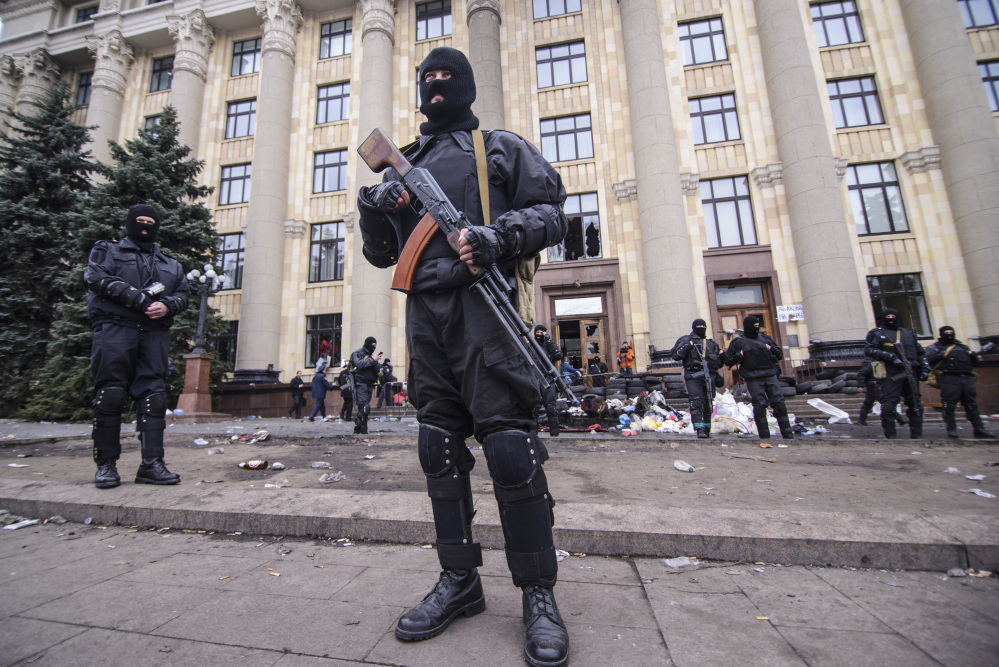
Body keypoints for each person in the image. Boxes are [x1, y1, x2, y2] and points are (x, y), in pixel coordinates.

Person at [357, 47, 570, 667]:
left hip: (485, 309)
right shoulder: (404, 164)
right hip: (425, 315)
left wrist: (496, 235)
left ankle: (538, 594)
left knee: (510, 446)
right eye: (428, 78)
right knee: (437, 447)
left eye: (449, 77)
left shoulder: (498, 147)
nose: (437, 84)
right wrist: (374, 211)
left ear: (469, 88)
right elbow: (379, 255)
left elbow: (552, 213)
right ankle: (460, 580)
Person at [85, 203, 189, 489]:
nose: (145, 226)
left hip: (154, 334)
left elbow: (183, 294)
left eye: (150, 222)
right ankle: (106, 465)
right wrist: (137, 298)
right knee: (111, 394)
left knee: (154, 396)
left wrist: (167, 306)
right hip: (115, 329)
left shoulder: (170, 264)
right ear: (130, 223)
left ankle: (152, 464)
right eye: (140, 221)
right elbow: (96, 278)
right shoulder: (108, 250)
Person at [723, 316, 793, 439]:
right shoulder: (739, 342)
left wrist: (771, 349)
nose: (757, 328)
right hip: (753, 377)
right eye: (754, 326)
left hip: (770, 375)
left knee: (779, 403)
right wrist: (739, 355)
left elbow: (779, 354)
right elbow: (728, 361)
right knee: (760, 405)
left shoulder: (766, 339)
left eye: (758, 325)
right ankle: (764, 435)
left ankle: (787, 433)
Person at [864, 309, 929, 439]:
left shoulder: (908, 334)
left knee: (915, 404)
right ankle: (891, 435)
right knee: (889, 405)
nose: (891, 318)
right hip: (891, 372)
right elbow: (869, 349)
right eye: (888, 316)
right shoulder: (877, 333)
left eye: (894, 316)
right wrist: (890, 357)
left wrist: (925, 368)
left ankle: (916, 435)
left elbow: (920, 352)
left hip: (911, 371)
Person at [925, 326, 996, 439]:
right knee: (949, 406)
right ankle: (952, 430)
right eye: (946, 332)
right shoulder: (935, 347)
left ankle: (979, 429)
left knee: (971, 405)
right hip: (949, 378)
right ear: (941, 334)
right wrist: (941, 354)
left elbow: (975, 363)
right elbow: (927, 360)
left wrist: (973, 356)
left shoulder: (962, 346)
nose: (949, 334)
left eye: (951, 332)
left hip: (966, 378)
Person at [671, 319, 722, 439]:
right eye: (699, 326)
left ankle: (707, 428)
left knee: (708, 402)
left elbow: (717, 363)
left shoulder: (711, 344)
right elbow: (675, 356)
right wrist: (688, 346)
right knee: (697, 402)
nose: (701, 327)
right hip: (693, 376)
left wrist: (722, 357)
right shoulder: (686, 340)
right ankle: (699, 429)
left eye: (703, 326)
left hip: (708, 377)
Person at [534, 324, 564, 437]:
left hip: (548, 378)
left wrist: (549, 340)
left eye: (542, 333)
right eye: (538, 333)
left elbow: (558, 355)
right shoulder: (530, 346)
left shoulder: (549, 345)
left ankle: (555, 433)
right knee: (534, 408)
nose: (539, 335)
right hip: (534, 378)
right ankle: (533, 434)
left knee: (551, 407)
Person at [856, 360, 906, 427]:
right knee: (886, 403)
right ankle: (900, 420)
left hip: (877, 386)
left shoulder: (878, 362)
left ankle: (861, 420)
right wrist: (861, 385)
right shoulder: (870, 363)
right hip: (874, 386)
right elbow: (861, 374)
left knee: (868, 403)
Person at [349, 337, 382, 434]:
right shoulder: (357, 353)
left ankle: (358, 427)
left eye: (375, 346)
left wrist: (377, 364)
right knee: (364, 406)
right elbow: (359, 364)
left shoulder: (370, 356)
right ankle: (363, 430)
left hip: (369, 384)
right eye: (372, 345)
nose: (373, 348)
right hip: (360, 382)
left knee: (364, 407)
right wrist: (373, 359)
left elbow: (376, 369)